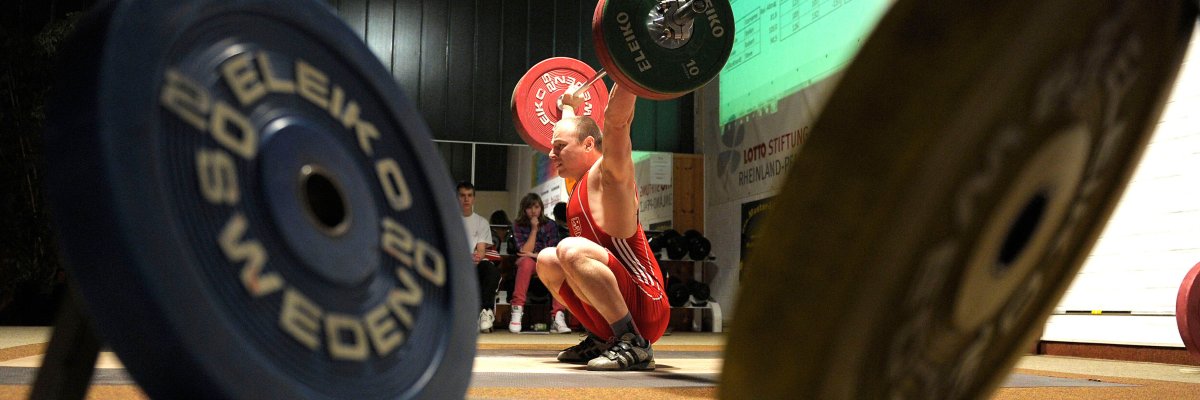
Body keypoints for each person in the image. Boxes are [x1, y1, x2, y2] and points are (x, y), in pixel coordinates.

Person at [534, 83, 669, 371]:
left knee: (570, 249)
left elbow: (617, 122)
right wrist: (568, 106)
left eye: (559, 148)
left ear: (588, 145)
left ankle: (634, 342)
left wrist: (629, 73)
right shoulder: (578, 182)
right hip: (619, 302)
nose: (551, 154)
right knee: (547, 260)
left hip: (646, 304)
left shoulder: (610, 175)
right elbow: (573, 132)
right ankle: (603, 338)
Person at [508, 193, 570, 334]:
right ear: (524, 209)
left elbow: (552, 251)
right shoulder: (518, 225)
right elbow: (524, 251)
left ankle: (558, 315)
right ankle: (517, 310)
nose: (533, 211)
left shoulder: (550, 225)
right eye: (529, 207)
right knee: (526, 262)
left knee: (558, 266)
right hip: (528, 263)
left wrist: (534, 254)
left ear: (541, 208)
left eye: (536, 207)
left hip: (546, 262)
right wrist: (534, 229)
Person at [458, 182, 500, 333]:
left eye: (469, 195)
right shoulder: (449, 220)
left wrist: (475, 258)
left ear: (473, 198)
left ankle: (485, 312)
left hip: (475, 264)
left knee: (490, 269)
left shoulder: (481, 222)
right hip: (456, 265)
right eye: (462, 195)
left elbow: (481, 250)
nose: (466, 199)